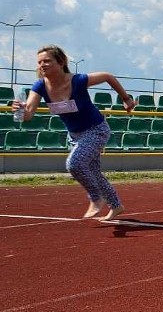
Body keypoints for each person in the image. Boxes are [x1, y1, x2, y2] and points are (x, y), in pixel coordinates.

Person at [12, 45, 137, 221]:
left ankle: (95, 198)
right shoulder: (40, 86)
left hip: (96, 130)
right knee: (93, 173)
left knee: (75, 164)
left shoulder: (78, 80)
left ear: (61, 62)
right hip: (76, 136)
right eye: (39, 62)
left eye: (47, 60)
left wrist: (126, 98)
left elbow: (108, 76)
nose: (42, 65)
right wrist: (19, 110)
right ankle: (116, 206)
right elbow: (28, 115)